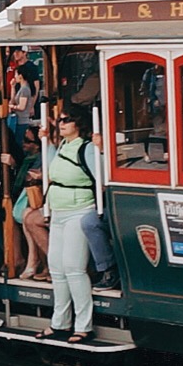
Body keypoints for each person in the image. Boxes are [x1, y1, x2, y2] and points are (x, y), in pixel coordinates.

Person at [40, 106, 107, 343]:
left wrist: (101, 150)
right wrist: (46, 142)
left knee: (74, 268)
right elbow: (50, 170)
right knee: (57, 268)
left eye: (66, 120)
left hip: (79, 210)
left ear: (78, 123)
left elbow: (103, 173)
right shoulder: (63, 147)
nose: (62, 123)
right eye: (60, 120)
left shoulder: (87, 147)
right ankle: (60, 323)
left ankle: (83, 325)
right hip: (59, 211)